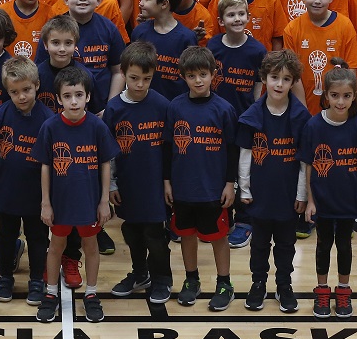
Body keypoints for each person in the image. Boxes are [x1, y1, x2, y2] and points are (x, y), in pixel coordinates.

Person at [35, 66, 120, 323]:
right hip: (59, 203)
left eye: (79, 95)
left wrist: (104, 200)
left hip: (89, 202)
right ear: (59, 99)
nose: (74, 100)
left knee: (91, 246)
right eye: (68, 95)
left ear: (88, 97)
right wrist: (46, 202)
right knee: (56, 247)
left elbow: (106, 163)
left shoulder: (97, 126)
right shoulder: (50, 127)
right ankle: (50, 294)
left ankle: (92, 294)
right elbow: (45, 166)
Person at [299, 61, 357, 319]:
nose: (340, 101)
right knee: (323, 246)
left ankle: (343, 291)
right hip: (322, 201)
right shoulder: (313, 126)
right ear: (325, 94)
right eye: (335, 95)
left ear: (354, 96)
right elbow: (309, 166)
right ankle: (322, 290)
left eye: (346, 96)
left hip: (348, 201)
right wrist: (310, 201)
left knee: (344, 246)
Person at [165, 47, 239, 311]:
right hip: (184, 188)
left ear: (213, 75)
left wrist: (230, 183)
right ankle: (191, 280)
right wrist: (167, 181)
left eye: (203, 74)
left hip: (214, 189)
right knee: (186, 235)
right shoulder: (175, 107)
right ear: (183, 77)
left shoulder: (224, 109)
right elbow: (167, 146)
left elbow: (232, 149)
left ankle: (224, 283)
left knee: (218, 237)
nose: (198, 80)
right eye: (192, 75)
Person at [238, 50, 310, 312]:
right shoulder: (253, 115)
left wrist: (302, 194)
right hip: (259, 195)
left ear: (293, 83)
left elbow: (305, 162)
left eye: (286, 79)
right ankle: (258, 284)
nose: (279, 84)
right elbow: (245, 155)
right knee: (258, 245)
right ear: (264, 78)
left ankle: (284, 284)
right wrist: (244, 188)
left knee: (286, 245)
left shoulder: (301, 118)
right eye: (274, 77)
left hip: (288, 196)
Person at [104, 42, 174, 304]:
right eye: (134, 78)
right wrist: (111, 184)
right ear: (123, 74)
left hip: (155, 184)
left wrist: (168, 181)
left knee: (155, 234)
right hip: (128, 182)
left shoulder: (163, 105)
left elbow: (170, 149)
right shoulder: (114, 109)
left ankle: (162, 278)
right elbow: (108, 154)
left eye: (146, 78)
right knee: (132, 231)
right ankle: (140, 273)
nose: (140, 84)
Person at [0, 58, 55, 305]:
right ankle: (5, 277)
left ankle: (37, 279)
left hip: (35, 194)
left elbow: (51, 161)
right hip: (7, 190)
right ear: (7, 91)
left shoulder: (48, 119)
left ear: (37, 85)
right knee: (5, 235)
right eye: (14, 92)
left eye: (26, 90)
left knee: (37, 238)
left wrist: (48, 198)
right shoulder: (0, 115)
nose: (21, 96)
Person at [282, 0, 357, 113]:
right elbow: (293, 75)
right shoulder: (292, 29)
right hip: (304, 107)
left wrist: (341, 105)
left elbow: (351, 69)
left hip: (337, 108)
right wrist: (304, 111)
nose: (317, 1)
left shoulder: (344, 26)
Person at [131, 0, 198, 100]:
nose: (140, 3)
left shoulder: (187, 38)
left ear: (164, 4)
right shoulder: (139, 32)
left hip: (176, 105)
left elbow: (192, 76)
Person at [207, 0, 267, 119]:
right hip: (215, 113)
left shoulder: (258, 51)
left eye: (241, 14)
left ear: (248, 17)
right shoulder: (213, 46)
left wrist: (253, 112)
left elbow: (258, 85)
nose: (237, 19)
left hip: (244, 115)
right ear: (221, 21)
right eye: (231, 15)